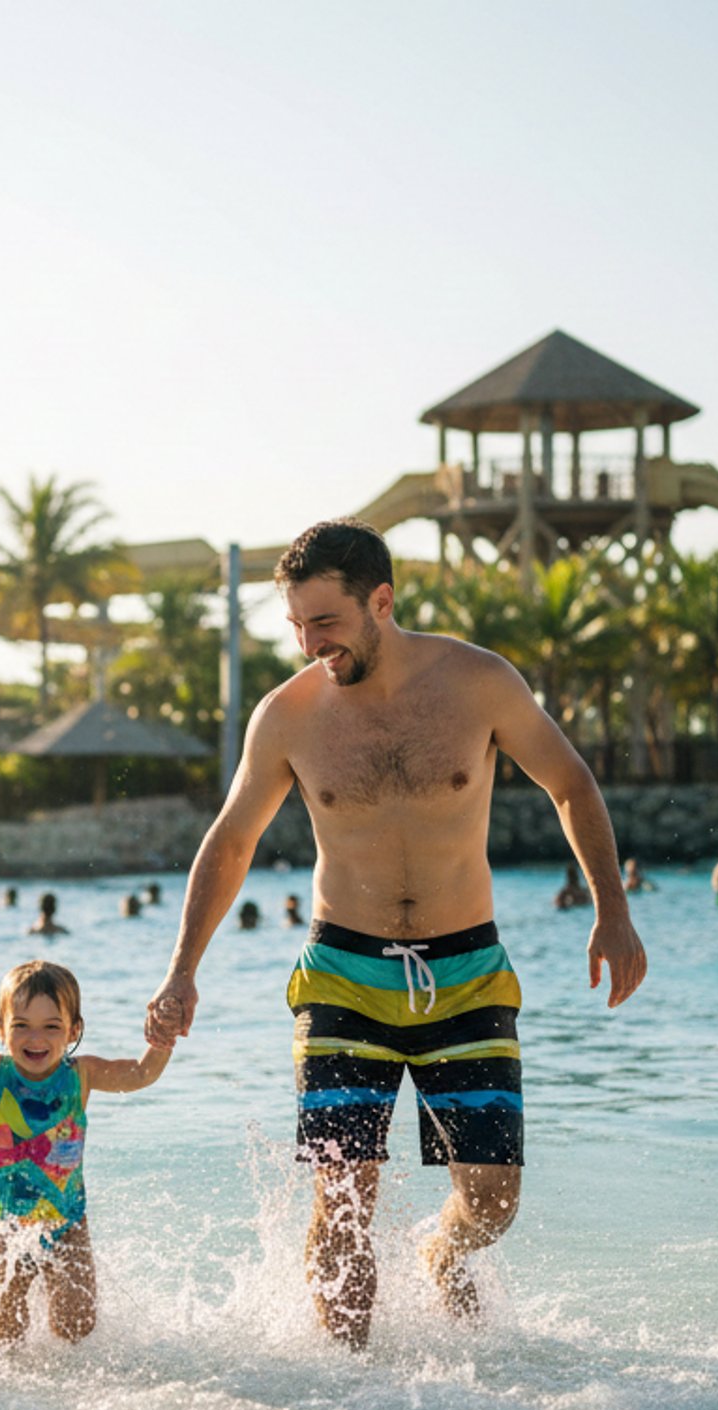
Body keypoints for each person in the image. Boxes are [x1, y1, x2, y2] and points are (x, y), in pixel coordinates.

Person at [145, 517, 645, 1349]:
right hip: (344, 974)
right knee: (342, 1200)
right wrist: (182, 969)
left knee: (491, 1200)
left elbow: (571, 783)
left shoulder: (479, 683)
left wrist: (613, 911)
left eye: (326, 624)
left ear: (381, 601)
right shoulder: (287, 716)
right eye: (296, 627)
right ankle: (352, 1395)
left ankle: (440, 1252)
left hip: (468, 971)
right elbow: (231, 841)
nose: (310, 645)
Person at [0, 960, 172, 1344]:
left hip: (68, 1225)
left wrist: (162, 1040)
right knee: (4, 1336)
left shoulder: (81, 1075)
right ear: (0, 1026)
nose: (36, 1038)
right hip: (4, 1225)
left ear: (73, 1030)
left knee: (77, 1329)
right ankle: (10, 1402)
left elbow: (140, 1074)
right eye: (21, 1025)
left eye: (51, 1026)